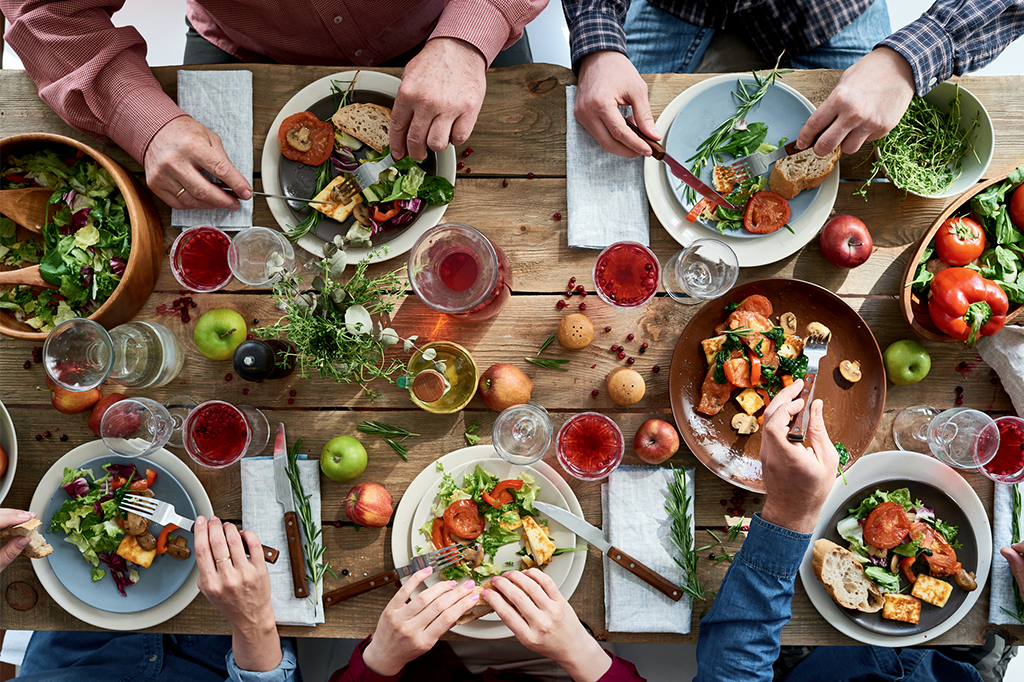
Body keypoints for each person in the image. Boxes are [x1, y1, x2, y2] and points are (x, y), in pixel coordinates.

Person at [0, 0, 547, 211]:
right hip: (247, 45)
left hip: (453, 26)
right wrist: (145, 122)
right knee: (224, 218)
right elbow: (44, 11)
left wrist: (475, 28)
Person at [692, 380, 1015, 682]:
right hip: (955, 668)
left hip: (826, 665)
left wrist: (789, 516)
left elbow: (732, 670)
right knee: (978, 648)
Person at [563, 0, 1024, 160]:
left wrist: (912, 56)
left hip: (829, 11)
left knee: (860, 161)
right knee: (608, 142)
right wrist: (597, 32)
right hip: (681, 6)